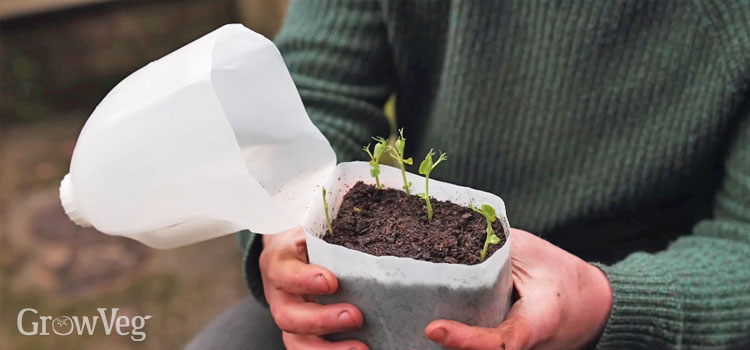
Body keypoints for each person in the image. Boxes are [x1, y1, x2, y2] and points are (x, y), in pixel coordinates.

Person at [188, 1, 750, 349]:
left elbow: (741, 245)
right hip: (363, 294)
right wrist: (283, 225)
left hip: (632, 303)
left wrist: (606, 303)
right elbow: (312, 92)